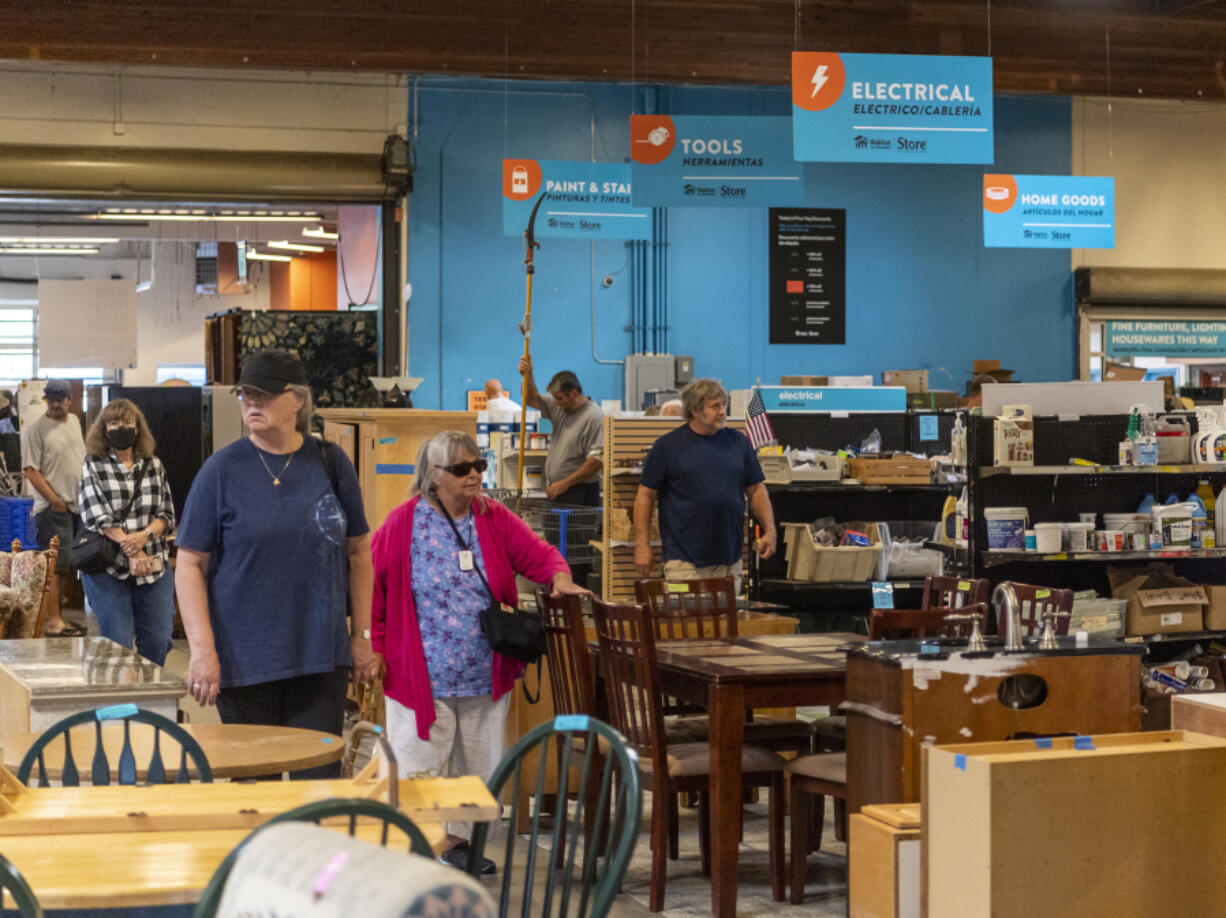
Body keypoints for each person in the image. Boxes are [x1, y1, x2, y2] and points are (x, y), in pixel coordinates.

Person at [371, 430, 586, 872]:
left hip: (482, 672)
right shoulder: (402, 523)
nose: (474, 476)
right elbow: (372, 589)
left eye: (479, 466)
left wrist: (559, 576)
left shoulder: (494, 517)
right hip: (418, 675)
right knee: (417, 765)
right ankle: (415, 847)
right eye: (461, 469)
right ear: (434, 475)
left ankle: (458, 844)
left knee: (476, 765)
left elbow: (540, 555)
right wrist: (370, 647)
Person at [175, 349, 380, 778]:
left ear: (297, 400)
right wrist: (202, 651)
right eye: (246, 394)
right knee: (256, 792)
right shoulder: (221, 471)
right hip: (245, 662)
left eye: (264, 395)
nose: (252, 403)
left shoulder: (330, 463)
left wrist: (361, 635)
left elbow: (360, 551)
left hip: (320, 658)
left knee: (317, 788)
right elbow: (189, 564)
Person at [633, 378, 777, 591]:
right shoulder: (667, 447)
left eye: (723, 404)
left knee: (728, 623)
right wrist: (642, 544)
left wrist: (770, 529)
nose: (722, 411)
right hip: (683, 562)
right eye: (715, 406)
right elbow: (645, 496)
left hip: (730, 560)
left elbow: (756, 489)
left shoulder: (738, 442)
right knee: (686, 622)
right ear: (695, 410)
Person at [78, 399, 176, 664]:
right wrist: (131, 549)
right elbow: (96, 514)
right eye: (114, 423)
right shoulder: (93, 464)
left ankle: (148, 698)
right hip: (109, 567)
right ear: (104, 429)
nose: (121, 427)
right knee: (118, 645)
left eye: (127, 422)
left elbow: (166, 514)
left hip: (153, 566)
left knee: (159, 640)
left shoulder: (153, 464)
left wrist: (143, 537)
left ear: (137, 427)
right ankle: (121, 701)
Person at [21, 379, 86, 636]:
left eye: (60, 399)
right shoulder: (36, 430)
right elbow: (30, 471)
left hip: (76, 507)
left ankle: (60, 617)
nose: (56, 404)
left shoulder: (75, 422)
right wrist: (55, 500)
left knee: (68, 565)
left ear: (69, 401)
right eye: (52, 399)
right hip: (52, 509)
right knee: (54, 566)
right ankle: (53, 622)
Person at [516, 356, 603, 505]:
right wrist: (528, 375)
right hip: (558, 490)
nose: (556, 403)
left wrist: (565, 483)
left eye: (559, 398)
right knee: (554, 528)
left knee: (575, 529)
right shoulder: (561, 407)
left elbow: (596, 461)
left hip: (579, 492)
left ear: (574, 394)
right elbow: (530, 399)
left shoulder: (593, 417)